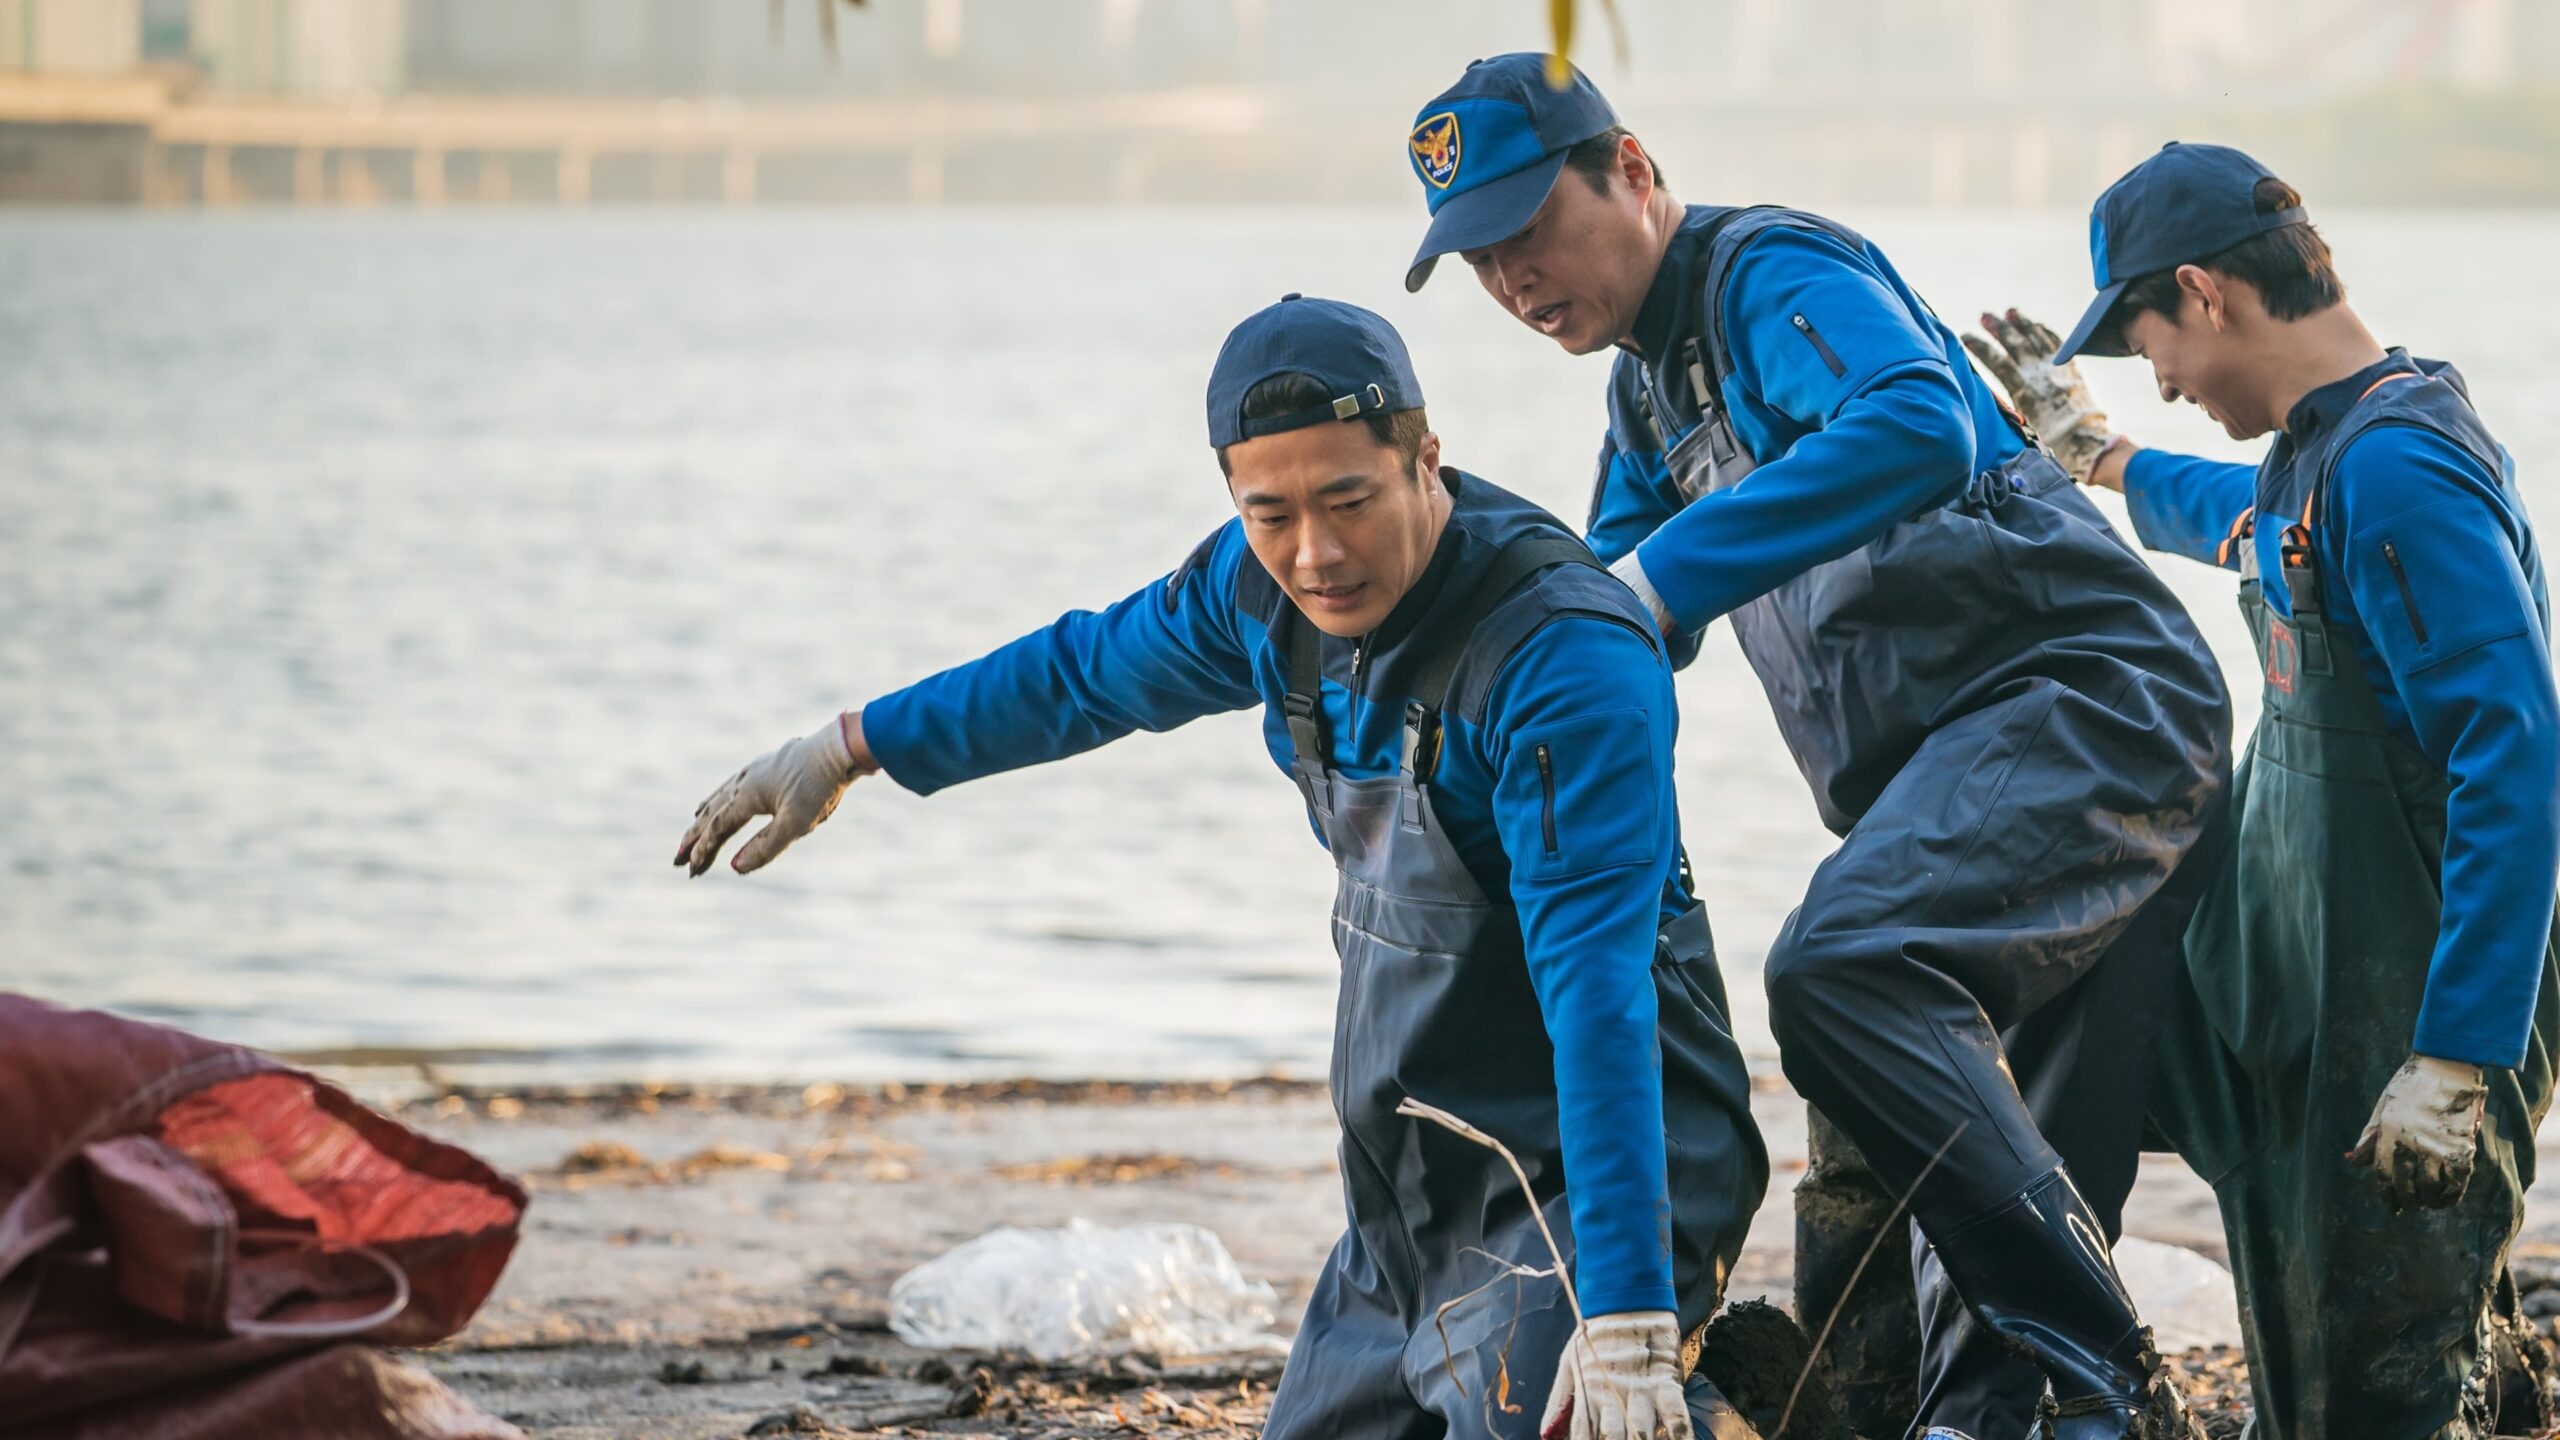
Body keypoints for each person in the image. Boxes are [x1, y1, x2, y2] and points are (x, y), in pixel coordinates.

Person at [672, 295, 1769, 1440]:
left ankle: (1704, 1397)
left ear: (1424, 458)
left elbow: (1600, 992)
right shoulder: (1256, 593)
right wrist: (851, 747)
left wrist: (1631, 1316)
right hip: (1407, 1188)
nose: (1316, 553)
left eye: (1349, 501)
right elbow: (1078, 675)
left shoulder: (1565, 657)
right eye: (1270, 513)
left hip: (1593, 1185)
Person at [1399, 55, 2233, 1440]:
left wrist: (1660, 581)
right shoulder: (1646, 399)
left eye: (1530, 227)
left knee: (1843, 970)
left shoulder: (1768, 269)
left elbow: (1911, 416)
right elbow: (1600, 630)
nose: (1515, 279)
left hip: (2085, 711)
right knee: (2010, 1158)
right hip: (1958, 786)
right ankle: (2020, 1412)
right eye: (1480, 259)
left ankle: (2117, 1389)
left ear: (1635, 172)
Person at [1968, 142, 2560, 1440]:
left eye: (2149, 347)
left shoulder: (2404, 472)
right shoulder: (2324, 451)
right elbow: (2242, 514)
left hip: (2404, 1006)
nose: (2164, 383)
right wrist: (2097, 454)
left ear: (2207, 291)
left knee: (2368, 1395)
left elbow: (2516, 757)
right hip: (2299, 978)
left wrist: (2459, 1055)